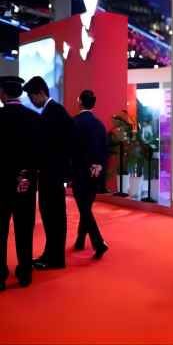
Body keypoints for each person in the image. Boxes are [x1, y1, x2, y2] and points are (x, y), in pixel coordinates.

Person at [23, 76, 74, 270]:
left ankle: (54, 258)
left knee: (53, 216)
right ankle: (52, 255)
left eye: (31, 96)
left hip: (51, 173)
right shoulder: (54, 110)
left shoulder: (53, 112)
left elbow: (55, 144)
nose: (32, 101)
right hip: (53, 172)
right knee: (52, 215)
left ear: (40, 93)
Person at [0, 76, 40, 290]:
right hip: (26, 180)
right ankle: (25, 272)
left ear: (3, 94)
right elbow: (40, 152)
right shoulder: (34, 118)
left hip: (1, 181)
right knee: (24, 226)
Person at [71, 90, 109, 259]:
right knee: (85, 207)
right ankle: (80, 240)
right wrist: (99, 168)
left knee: (84, 208)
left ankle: (98, 242)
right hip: (96, 172)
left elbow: (72, 151)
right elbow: (104, 151)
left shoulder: (75, 123)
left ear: (79, 101)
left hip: (80, 172)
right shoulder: (99, 125)